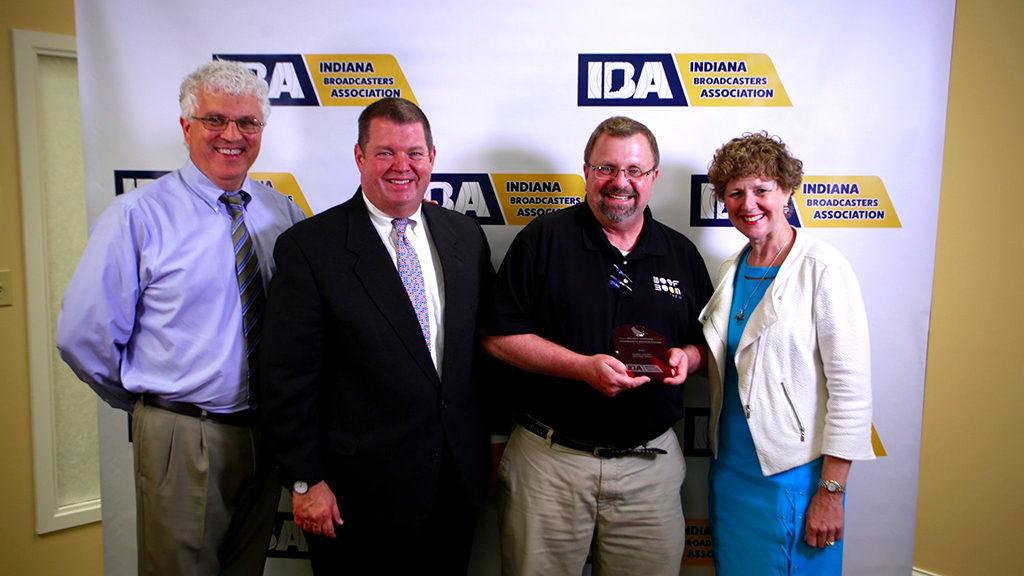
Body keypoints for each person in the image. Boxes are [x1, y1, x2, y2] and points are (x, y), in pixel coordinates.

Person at [56, 60, 305, 575]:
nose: (232, 135)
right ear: (186, 126)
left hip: (265, 432)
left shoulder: (281, 213)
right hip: (182, 433)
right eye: (215, 120)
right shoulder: (138, 216)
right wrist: (152, 407)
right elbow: (84, 337)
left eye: (248, 123)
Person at [258, 97, 494, 575]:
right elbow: (286, 377)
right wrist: (306, 481)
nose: (402, 167)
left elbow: (480, 357)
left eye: (414, 153)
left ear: (432, 157)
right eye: (385, 153)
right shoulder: (311, 248)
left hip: (453, 485)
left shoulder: (464, 236)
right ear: (359, 157)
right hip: (355, 496)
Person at [483, 116, 713, 575]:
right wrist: (580, 367)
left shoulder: (680, 253)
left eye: (634, 170)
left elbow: (706, 344)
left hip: (648, 468)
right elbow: (497, 339)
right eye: (606, 168)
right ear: (586, 172)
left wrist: (687, 358)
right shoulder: (542, 240)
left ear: (653, 178)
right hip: (550, 465)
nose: (619, 183)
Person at [700, 131, 875, 574]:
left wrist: (831, 493)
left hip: (795, 477)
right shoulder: (731, 268)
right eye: (735, 192)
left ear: (787, 192)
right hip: (732, 471)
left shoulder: (823, 269)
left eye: (762, 190)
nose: (749, 203)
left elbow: (851, 393)